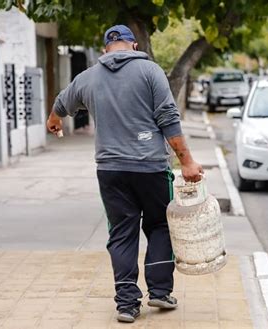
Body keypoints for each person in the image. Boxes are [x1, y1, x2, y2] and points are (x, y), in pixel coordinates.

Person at [47, 24, 203, 323]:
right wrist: (187, 162)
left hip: (111, 170)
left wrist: (54, 120)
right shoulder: (151, 72)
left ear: (106, 49)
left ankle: (127, 304)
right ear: (133, 45)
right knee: (159, 226)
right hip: (151, 168)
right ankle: (159, 291)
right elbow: (169, 119)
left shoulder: (88, 77)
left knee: (121, 233)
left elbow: (61, 103)